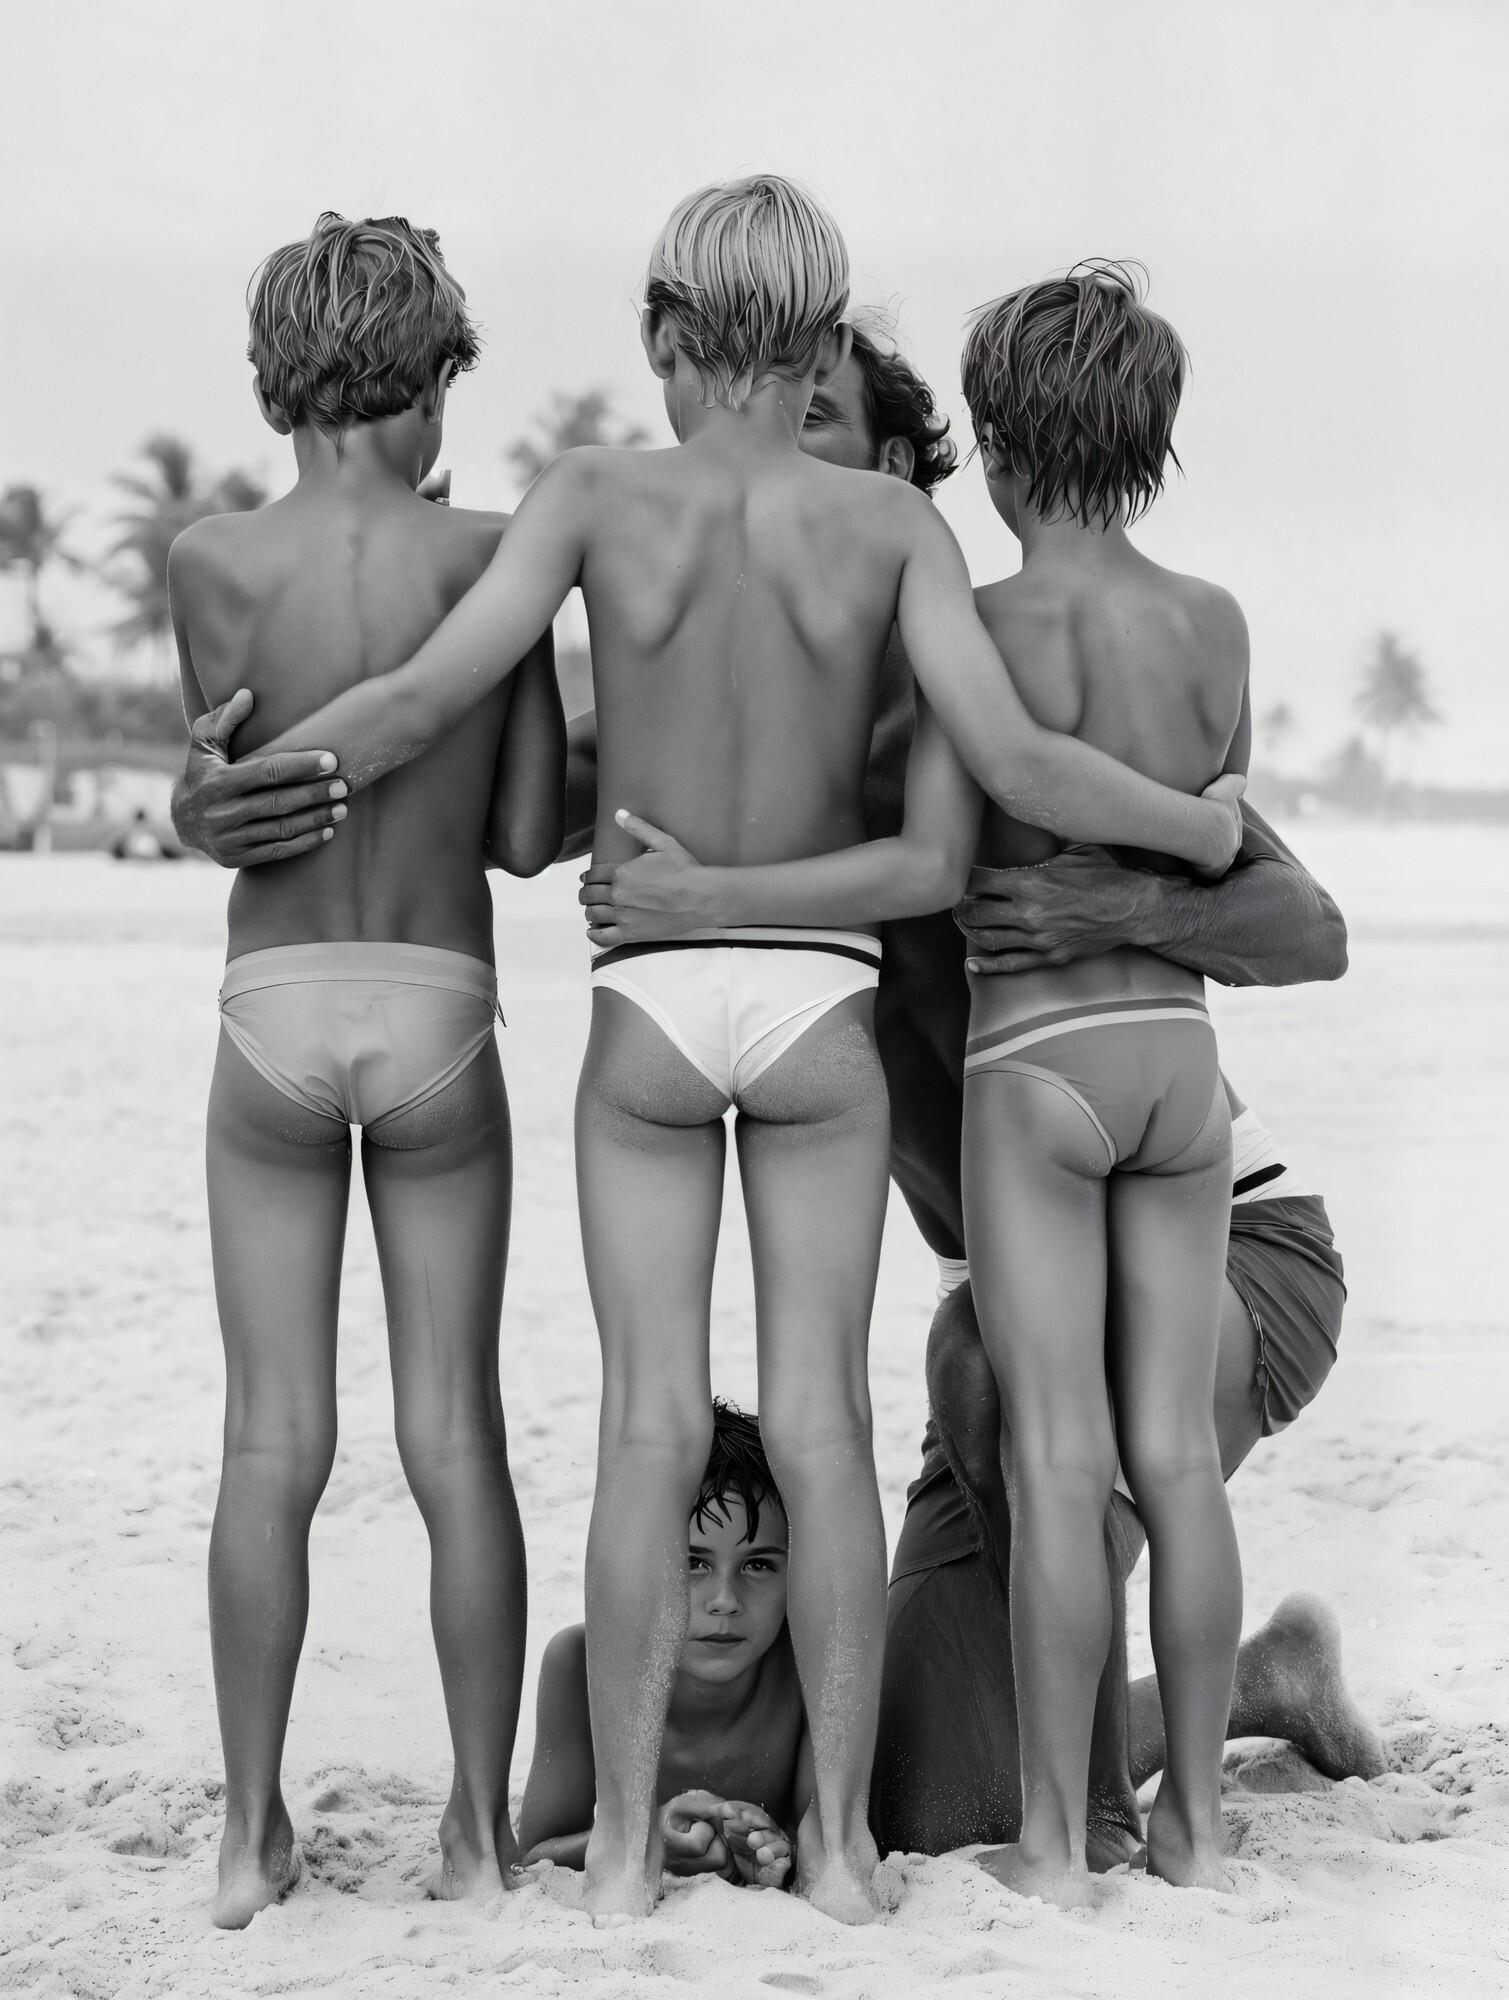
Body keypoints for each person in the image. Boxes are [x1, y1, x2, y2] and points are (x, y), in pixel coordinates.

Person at [233, 178, 1244, 1924]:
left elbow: (419, 700)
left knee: (644, 1426)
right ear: (823, 333)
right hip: (816, 1003)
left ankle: (622, 1856)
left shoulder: (588, 495)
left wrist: (237, 792)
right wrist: (1199, 825)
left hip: (648, 995)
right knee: (821, 1426)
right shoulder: (893, 528)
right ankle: (842, 1851)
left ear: (662, 331)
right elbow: (962, 822)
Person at [580, 262, 1266, 1902]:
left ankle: (1058, 1842)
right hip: (1177, 1067)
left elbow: (982, 815)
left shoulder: (974, 631)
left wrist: (702, 886)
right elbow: (1211, 817)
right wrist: (1185, 844)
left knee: (1054, 1452)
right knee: (1163, 1461)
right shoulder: (1213, 623)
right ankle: (1190, 1824)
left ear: (974, 458)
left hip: (1043, 1080)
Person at [166, 212, 566, 1928]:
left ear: (279, 386)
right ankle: (476, 1832)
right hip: (436, 1001)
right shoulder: (489, 552)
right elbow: (526, 831)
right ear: (430, 382)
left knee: (270, 1439)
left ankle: (251, 1836)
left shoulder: (207, 559)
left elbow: (230, 799)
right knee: (454, 1435)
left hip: (273, 999)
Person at [519, 1401, 803, 1890]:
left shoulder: (808, 1669)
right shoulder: (579, 1665)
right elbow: (536, 1856)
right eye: (692, 1562)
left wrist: (778, 1851)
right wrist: (643, 1834)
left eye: (758, 1565)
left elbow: (833, 1833)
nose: (725, 1600)